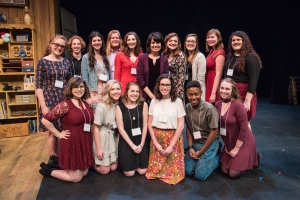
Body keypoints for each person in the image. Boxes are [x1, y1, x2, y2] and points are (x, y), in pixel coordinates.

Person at [39, 77, 94, 182]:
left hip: (84, 141)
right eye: (75, 87)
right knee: (76, 178)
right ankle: (48, 170)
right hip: (72, 143)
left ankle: (65, 169)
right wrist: (58, 134)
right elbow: (45, 120)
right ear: (70, 89)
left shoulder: (85, 103)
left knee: (85, 173)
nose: (79, 90)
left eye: (81, 87)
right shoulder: (65, 105)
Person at [35, 34, 72, 166]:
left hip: (64, 99)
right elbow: (38, 86)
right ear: (51, 44)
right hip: (49, 99)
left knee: (65, 129)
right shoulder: (43, 62)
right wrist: (43, 106)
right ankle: (53, 158)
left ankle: (64, 157)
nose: (59, 47)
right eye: (56, 44)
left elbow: (70, 83)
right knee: (52, 132)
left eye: (62, 46)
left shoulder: (66, 62)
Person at [145, 74, 186, 185]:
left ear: (172, 86)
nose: (165, 87)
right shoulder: (154, 102)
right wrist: (155, 143)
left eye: (168, 85)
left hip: (173, 139)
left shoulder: (178, 102)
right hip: (157, 138)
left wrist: (171, 146)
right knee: (154, 171)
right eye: (162, 84)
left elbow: (181, 125)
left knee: (174, 173)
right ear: (158, 86)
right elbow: (149, 124)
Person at [215, 78, 259, 179]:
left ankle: (250, 159)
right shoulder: (217, 104)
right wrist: (226, 145)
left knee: (232, 174)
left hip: (243, 142)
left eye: (227, 89)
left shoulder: (238, 105)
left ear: (232, 90)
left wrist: (236, 149)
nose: (224, 91)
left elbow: (244, 129)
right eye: (222, 88)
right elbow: (220, 126)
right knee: (224, 170)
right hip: (229, 141)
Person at [223, 31, 262, 128]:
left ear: (244, 41)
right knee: (231, 122)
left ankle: (247, 143)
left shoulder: (250, 58)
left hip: (243, 93)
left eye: (238, 40)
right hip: (229, 92)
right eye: (233, 40)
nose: (235, 42)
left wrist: (247, 101)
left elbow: (253, 80)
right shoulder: (229, 57)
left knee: (243, 123)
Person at [184, 80, 220, 181]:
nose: (193, 97)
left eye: (196, 94)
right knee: (188, 171)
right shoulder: (187, 108)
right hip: (196, 142)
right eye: (190, 95)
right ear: (187, 95)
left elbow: (214, 132)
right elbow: (189, 128)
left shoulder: (209, 109)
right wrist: (190, 147)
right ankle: (202, 160)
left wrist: (201, 152)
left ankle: (217, 157)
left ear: (201, 93)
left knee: (200, 176)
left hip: (210, 142)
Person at [116, 82, 149, 177]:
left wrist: (141, 145)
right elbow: (121, 129)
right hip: (127, 141)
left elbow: (145, 126)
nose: (135, 94)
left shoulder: (143, 105)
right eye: (132, 91)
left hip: (140, 140)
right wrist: (133, 146)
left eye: (137, 91)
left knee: (142, 171)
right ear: (126, 92)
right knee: (129, 173)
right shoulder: (120, 107)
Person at [92, 80, 121, 174]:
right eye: (112, 89)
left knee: (113, 168)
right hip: (103, 136)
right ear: (108, 91)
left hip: (113, 136)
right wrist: (99, 148)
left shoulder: (119, 104)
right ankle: (91, 163)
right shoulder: (102, 106)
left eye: (118, 89)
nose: (116, 91)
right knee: (105, 171)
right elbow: (95, 128)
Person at [81, 31, 110, 111]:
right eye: (94, 41)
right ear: (91, 43)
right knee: (95, 118)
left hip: (106, 92)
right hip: (93, 92)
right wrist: (87, 96)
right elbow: (84, 79)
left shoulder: (106, 58)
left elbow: (109, 77)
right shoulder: (86, 58)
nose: (97, 42)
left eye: (99, 40)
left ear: (102, 42)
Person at [137, 32, 169, 102]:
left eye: (158, 43)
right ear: (149, 44)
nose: (155, 45)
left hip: (160, 96)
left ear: (161, 44)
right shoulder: (142, 58)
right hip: (144, 96)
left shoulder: (164, 59)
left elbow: (165, 78)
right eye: (153, 43)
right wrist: (151, 95)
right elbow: (140, 79)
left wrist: (158, 95)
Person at [162, 33, 187, 102]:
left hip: (176, 90)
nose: (173, 43)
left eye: (175, 41)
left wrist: (176, 93)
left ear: (178, 43)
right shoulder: (163, 54)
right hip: (164, 88)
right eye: (170, 41)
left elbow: (181, 78)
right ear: (166, 42)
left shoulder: (181, 56)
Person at [205, 29, 226, 104]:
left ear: (218, 38)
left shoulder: (220, 52)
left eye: (212, 37)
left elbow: (219, 74)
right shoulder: (212, 51)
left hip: (213, 82)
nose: (209, 39)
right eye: (208, 37)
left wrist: (213, 93)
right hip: (208, 80)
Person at [184, 33, 206, 102]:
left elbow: (201, 78)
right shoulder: (183, 56)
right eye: (188, 41)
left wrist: (195, 93)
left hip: (194, 91)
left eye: (193, 41)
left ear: (196, 43)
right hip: (185, 89)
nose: (190, 43)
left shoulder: (200, 56)